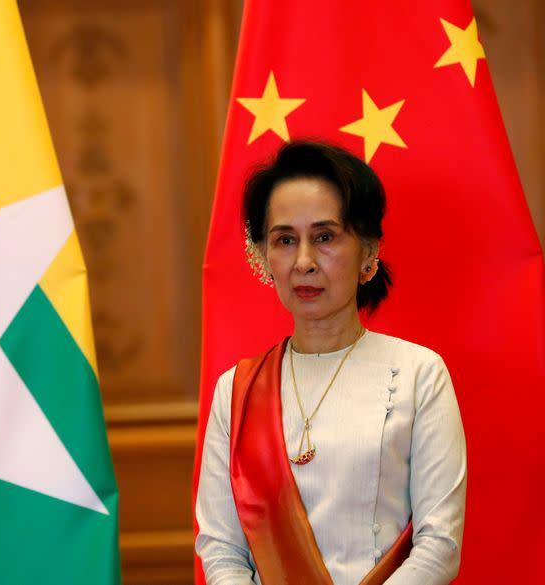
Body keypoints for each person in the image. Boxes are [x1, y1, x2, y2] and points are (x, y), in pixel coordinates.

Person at [195, 141, 466, 585]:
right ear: (263, 255)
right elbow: (221, 549)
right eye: (285, 240)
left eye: (324, 237)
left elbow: (439, 546)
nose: (304, 262)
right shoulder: (238, 390)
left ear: (367, 250)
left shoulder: (420, 374)